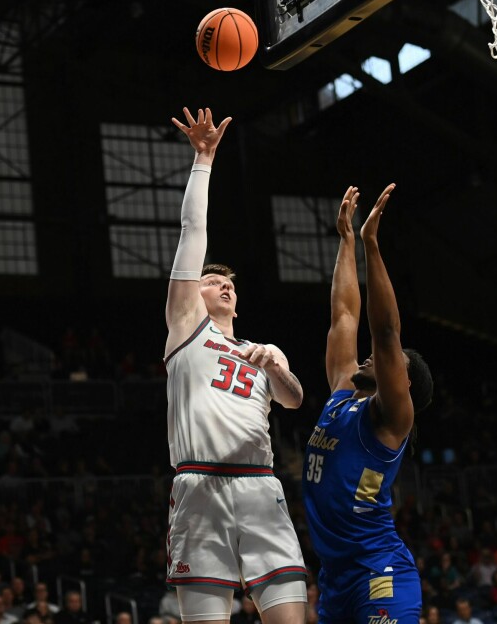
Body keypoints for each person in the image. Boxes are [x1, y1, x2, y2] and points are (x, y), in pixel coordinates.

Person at [164, 107, 307, 623]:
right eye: (210, 280)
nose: (223, 283)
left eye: (230, 283)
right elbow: (191, 231)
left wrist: (275, 367)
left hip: (259, 485)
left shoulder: (265, 351)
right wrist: (204, 160)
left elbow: (293, 399)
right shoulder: (186, 329)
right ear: (192, 295)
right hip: (199, 485)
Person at [302, 184, 433, 623]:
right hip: (335, 579)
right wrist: (346, 242)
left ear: (403, 383)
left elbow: (386, 333)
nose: (370, 356)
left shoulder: (392, 417)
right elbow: (343, 316)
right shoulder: (342, 391)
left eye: (385, 362)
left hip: (380, 571)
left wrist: (373, 247)